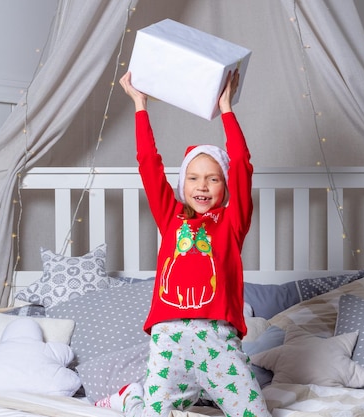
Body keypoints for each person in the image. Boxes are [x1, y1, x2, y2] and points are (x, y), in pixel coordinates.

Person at [96, 70, 271, 417]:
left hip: (217, 340)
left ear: (225, 186)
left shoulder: (232, 223)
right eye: (193, 178)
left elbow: (243, 166)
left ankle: (183, 395)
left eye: (212, 179)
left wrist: (226, 110)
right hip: (169, 339)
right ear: (182, 185)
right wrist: (140, 105)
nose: (202, 186)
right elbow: (148, 165)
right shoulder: (171, 217)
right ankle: (132, 396)